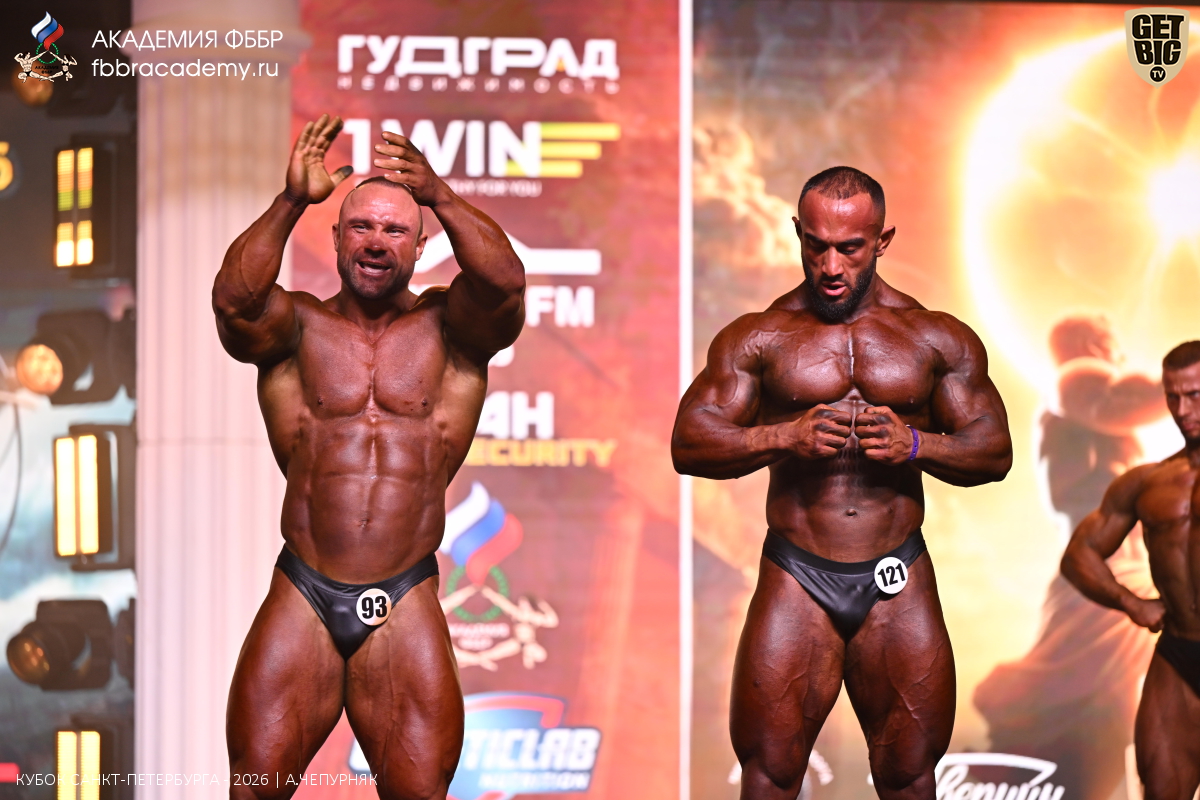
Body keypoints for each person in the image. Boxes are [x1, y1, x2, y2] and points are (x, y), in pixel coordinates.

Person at [672, 166, 1012, 800]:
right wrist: (783, 436)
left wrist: (916, 445)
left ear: (883, 240)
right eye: (816, 245)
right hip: (797, 572)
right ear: (797, 233)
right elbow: (689, 442)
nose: (830, 266)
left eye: (850, 248)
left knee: (909, 776)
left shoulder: (935, 336)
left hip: (896, 572)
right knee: (770, 775)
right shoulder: (760, 336)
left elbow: (993, 452)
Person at [212, 114, 525, 799]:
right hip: (304, 587)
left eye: (394, 230)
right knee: (253, 788)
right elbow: (234, 305)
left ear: (421, 245)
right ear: (335, 238)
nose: (376, 241)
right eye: (360, 227)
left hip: (404, 590)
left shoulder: (453, 332)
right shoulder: (297, 327)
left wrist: (440, 195)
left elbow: (505, 288)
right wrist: (289, 201)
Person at [974, 315, 1166, 800]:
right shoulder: (1076, 374)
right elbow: (1121, 400)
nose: (1121, 356)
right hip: (1106, 572)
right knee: (1083, 711)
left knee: (1113, 714)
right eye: (1113, 345)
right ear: (1091, 343)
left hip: (1120, 570)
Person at [1062, 340, 1200, 800]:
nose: (1183, 410)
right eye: (1173, 397)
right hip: (1177, 654)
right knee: (1160, 789)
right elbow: (1079, 554)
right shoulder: (1147, 482)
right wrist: (1131, 602)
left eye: (1195, 395)